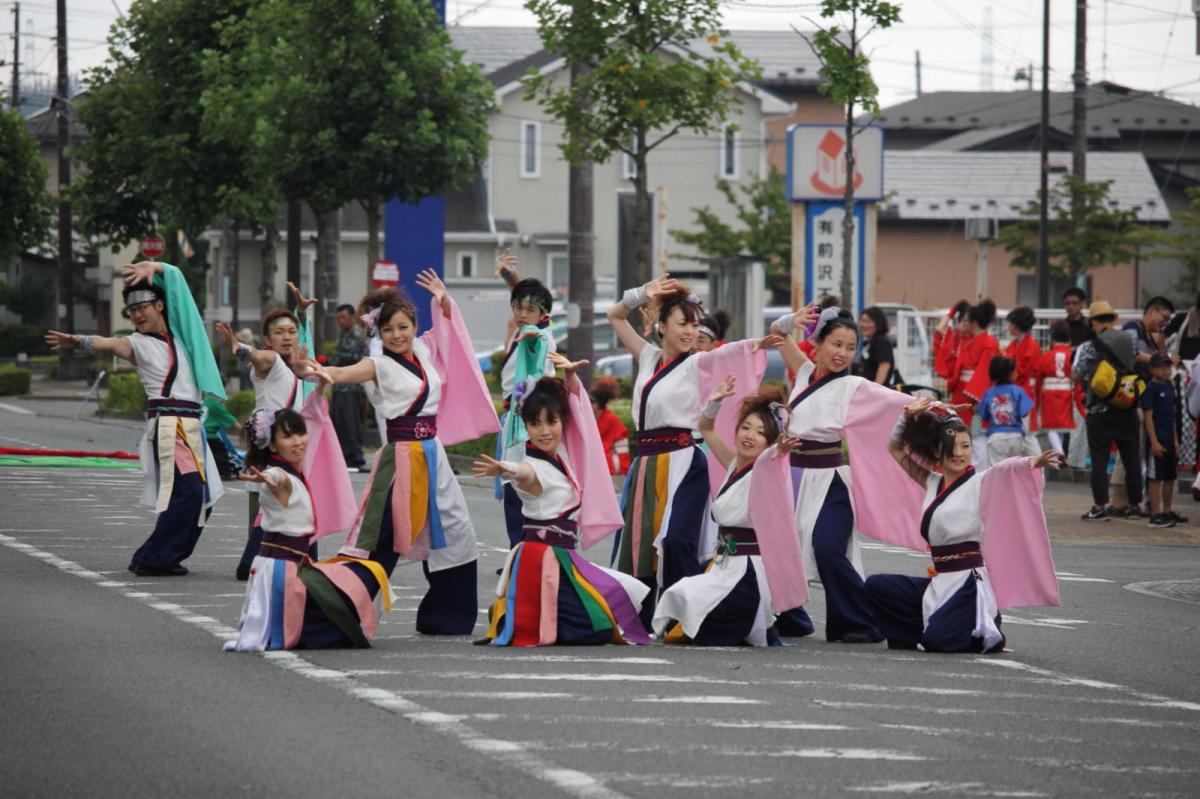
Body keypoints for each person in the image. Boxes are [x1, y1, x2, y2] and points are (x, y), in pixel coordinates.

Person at [304, 270, 499, 635]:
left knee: (457, 531)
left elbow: (450, 334)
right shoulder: (378, 364)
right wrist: (322, 371)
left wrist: (443, 298)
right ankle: (330, 612)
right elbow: (347, 373)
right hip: (402, 459)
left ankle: (446, 617)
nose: (397, 335)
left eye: (403, 327)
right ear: (378, 333)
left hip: (434, 455)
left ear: (413, 326)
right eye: (388, 329)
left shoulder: (424, 350)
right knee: (379, 538)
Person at [607, 273, 777, 628]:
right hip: (646, 463)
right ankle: (645, 615)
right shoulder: (648, 357)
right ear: (662, 326)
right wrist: (641, 294)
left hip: (684, 462)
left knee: (676, 540)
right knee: (640, 542)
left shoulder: (696, 362)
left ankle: (683, 614)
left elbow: (727, 353)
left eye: (695, 325)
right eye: (683, 323)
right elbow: (616, 316)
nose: (690, 332)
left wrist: (755, 344)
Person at [45, 261, 226, 576]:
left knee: (203, 497)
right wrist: (79, 341)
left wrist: (156, 267)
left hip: (192, 427)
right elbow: (109, 343)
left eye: (143, 307)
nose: (137, 315)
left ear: (160, 305)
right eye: (132, 311)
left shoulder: (183, 338)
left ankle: (159, 554)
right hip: (170, 428)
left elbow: (182, 297)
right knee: (189, 492)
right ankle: (156, 557)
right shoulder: (137, 343)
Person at [769, 306, 930, 643]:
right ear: (818, 343)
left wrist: (933, 408)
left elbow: (895, 402)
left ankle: (860, 621)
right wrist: (790, 322)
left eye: (850, 347)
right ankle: (789, 616)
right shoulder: (804, 372)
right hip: (793, 478)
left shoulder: (853, 385)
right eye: (836, 344)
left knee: (828, 548)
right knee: (781, 547)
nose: (843, 353)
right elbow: (777, 333)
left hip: (830, 480)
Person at [473, 357, 651, 646]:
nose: (544, 431)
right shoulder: (532, 464)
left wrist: (571, 379)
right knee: (594, 629)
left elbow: (581, 417)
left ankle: (512, 612)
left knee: (624, 593)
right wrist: (506, 469)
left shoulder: (563, 453)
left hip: (563, 558)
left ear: (562, 422)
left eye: (552, 422)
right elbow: (524, 473)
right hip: (538, 561)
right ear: (525, 426)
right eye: (535, 424)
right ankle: (513, 615)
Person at [864, 399, 1062, 653]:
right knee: (877, 586)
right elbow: (894, 448)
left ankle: (983, 630)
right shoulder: (931, 482)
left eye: (965, 446)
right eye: (951, 446)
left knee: (937, 641)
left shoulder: (980, 483)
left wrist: (1030, 462)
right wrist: (905, 416)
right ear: (937, 451)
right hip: (940, 580)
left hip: (969, 584)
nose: (959, 453)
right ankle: (922, 631)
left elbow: (1003, 470)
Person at [653, 381, 809, 646]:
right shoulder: (734, 463)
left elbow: (772, 459)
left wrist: (780, 449)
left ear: (769, 442)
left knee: (700, 628)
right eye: (745, 427)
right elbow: (705, 429)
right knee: (679, 596)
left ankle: (757, 621)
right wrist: (714, 402)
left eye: (760, 433)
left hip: (749, 574)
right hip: (723, 566)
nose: (749, 435)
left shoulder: (767, 471)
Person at [224, 408, 391, 652]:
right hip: (280, 573)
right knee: (343, 601)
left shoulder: (293, 470)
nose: (298, 441)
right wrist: (268, 478)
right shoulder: (279, 474)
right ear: (272, 445)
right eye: (287, 436)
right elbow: (277, 478)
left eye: (300, 433)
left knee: (361, 579)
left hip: (289, 566)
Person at [218, 283, 325, 581]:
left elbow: (310, 365)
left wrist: (300, 313)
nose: (288, 337)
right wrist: (241, 349)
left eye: (292, 331)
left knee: (286, 502)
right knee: (279, 502)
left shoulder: (295, 366)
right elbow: (258, 357)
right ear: (268, 340)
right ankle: (260, 561)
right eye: (280, 332)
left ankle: (279, 559)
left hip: (289, 444)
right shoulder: (273, 360)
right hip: (272, 445)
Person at [493, 250, 557, 547]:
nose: (522, 314)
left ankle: (525, 550)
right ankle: (518, 550)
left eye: (530, 310)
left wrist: (531, 336)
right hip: (513, 420)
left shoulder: (537, 335)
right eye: (518, 308)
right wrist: (509, 276)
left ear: (544, 315)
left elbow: (534, 335)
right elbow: (525, 299)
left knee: (522, 489)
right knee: (515, 489)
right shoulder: (524, 326)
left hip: (527, 422)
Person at [1073, 301, 1144, 520]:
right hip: (1127, 407)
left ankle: (1099, 507)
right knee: (1132, 459)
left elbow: (1076, 374)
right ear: (1111, 320)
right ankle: (1135, 505)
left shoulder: (1089, 346)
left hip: (1099, 411)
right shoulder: (1129, 340)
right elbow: (1134, 361)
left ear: (1093, 322)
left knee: (1100, 461)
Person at [1141, 353, 1186, 528]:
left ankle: (1167, 510)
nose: (1165, 370)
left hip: (1169, 439)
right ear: (1152, 370)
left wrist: (1175, 441)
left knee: (1169, 476)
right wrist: (1154, 442)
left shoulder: (1168, 386)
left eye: (1167, 366)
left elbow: (1172, 416)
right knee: (1155, 477)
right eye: (1161, 367)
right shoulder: (1150, 390)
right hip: (1157, 440)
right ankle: (1155, 514)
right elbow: (1148, 418)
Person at [978, 356, 1039, 466]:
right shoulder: (1018, 391)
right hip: (1016, 436)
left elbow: (983, 414)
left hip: (996, 437)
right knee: (1014, 468)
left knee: (998, 470)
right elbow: (1025, 412)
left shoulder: (989, 392)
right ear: (1010, 373)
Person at [329, 303, 369, 471]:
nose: (340, 321)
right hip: (340, 386)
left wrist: (331, 360)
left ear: (353, 317)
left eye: (344, 317)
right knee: (340, 423)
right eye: (338, 318)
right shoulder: (345, 334)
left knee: (350, 423)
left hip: (351, 387)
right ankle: (345, 457)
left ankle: (356, 457)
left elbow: (353, 357)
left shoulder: (356, 334)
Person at [1037, 320, 1077, 454]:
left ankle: (1059, 455)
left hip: (1049, 396)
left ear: (1052, 338)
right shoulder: (1071, 356)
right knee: (1061, 428)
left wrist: (1037, 401)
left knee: (1051, 427)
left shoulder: (1047, 356)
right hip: (1067, 394)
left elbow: (1039, 377)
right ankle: (1058, 455)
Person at [1004, 305, 1041, 438]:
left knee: (1026, 435)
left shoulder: (1031, 346)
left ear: (1016, 325)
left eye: (1010, 323)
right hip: (1015, 391)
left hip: (1025, 392)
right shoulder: (1015, 345)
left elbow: (1021, 372)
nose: (1008, 326)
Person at [1123, 296, 1176, 380]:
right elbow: (1131, 353)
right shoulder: (1132, 327)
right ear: (1152, 312)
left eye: (1168, 320)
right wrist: (1160, 359)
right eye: (1165, 318)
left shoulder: (1152, 338)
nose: (1166, 323)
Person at [590, 378, 630, 476]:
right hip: (609, 460)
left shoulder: (609, 419)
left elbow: (598, 444)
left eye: (592, 402)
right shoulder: (599, 417)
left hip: (616, 463)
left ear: (599, 404)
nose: (589, 404)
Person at [932, 300, 971, 396]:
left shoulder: (970, 339)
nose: (963, 325)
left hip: (965, 383)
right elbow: (939, 330)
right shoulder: (953, 337)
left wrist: (952, 312)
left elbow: (939, 329)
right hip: (957, 383)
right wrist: (953, 311)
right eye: (962, 321)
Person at [854, 305, 896, 386]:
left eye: (867, 321)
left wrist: (875, 388)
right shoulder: (867, 342)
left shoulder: (882, 342)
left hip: (879, 390)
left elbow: (884, 366)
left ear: (878, 323)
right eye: (861, 321)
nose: (863, 325)